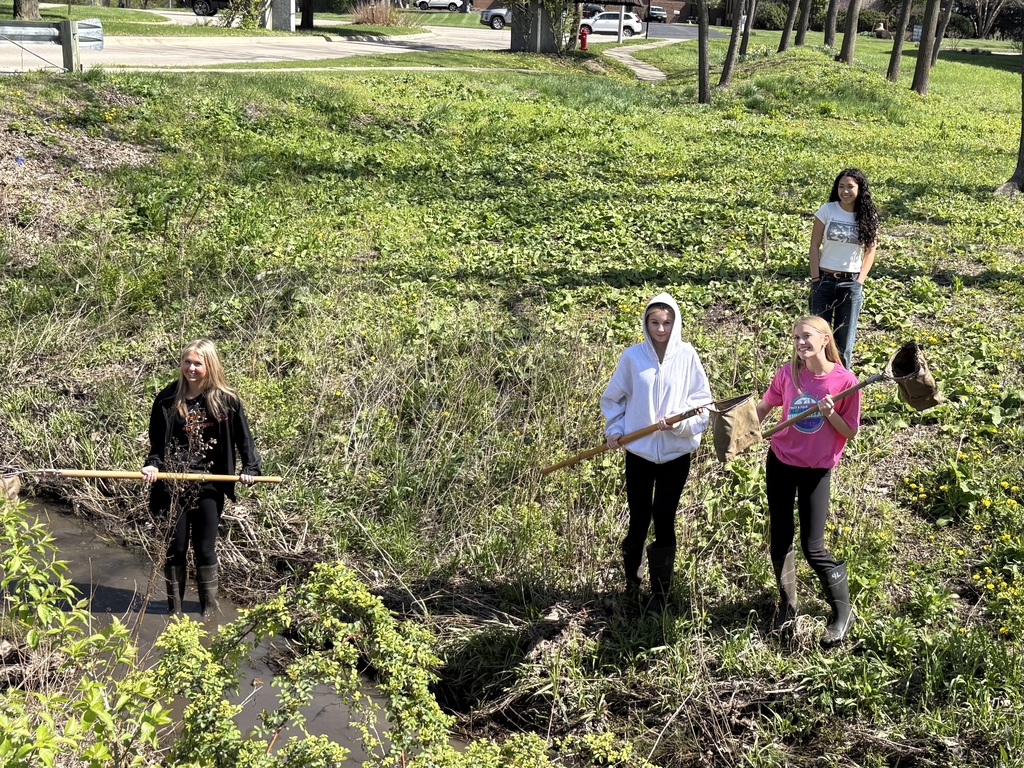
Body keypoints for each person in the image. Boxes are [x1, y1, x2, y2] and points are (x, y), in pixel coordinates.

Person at [601, 293, 712, 613]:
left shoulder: (688, 355)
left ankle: (661, 595)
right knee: (638, 519)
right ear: (645, 323)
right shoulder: (632, 358)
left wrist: (678, 425)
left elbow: (703, 405)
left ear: (675, 322)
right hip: (639, 451)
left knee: (664, 518)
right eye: (654, 322)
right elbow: (613, 400)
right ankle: (631, 589)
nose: (661, 329)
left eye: (666, 322)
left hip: (676, 454)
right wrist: (614, 430)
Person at [755, 316, 861, 648]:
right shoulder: (789, 373)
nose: (801, 342)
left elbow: (850, 431)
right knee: (781, 534)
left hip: (816, 470)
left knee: (813, 548)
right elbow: (764, 406)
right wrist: (742, 431)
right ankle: (788, 605)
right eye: (796, 337)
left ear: (826, 338)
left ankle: (842, 613)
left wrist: (830, 413)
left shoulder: (844, 381)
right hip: (782, 461)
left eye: (807, 336)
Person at [142, 339, 261, 618]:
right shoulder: (168, 398)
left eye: (198, 363)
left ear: (210, 366)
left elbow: (245, 440)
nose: (191, 368)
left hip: (210, 483)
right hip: (173, 483)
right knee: (175, 549)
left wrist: (251, 469)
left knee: (205, 549)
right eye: (187, 362)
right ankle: (176, 611)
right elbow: (157, 445)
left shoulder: (226, 400)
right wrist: (152, 466)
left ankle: (208, 609)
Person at [808, 168, 880, 370]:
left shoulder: (868, 216)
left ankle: (843, 388)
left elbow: (870, 251)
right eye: (841, 186)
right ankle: (813, 380)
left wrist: (859, 281)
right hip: (824, 280)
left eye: (850, 187)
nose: (845, 191)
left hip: (851, 284)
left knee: (843, 343)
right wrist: (815, 278)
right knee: (815, 339)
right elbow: (814, 245)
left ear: (860, 189)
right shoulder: (827, 210)